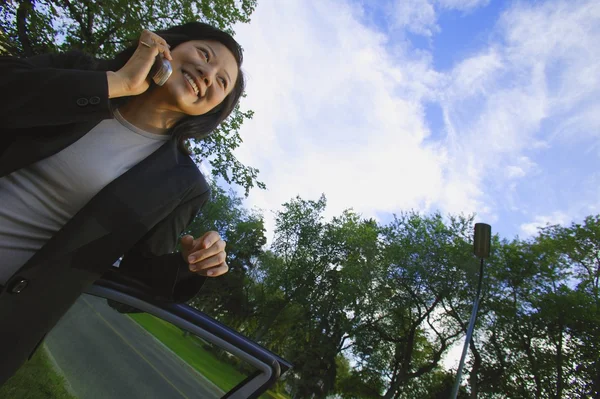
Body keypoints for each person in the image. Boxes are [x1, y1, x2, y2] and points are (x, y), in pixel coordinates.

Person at [0, 22, 244, 384]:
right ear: (168, 47)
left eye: (222, 82)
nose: (208, 74)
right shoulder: (83, 72)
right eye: (204, 55)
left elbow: (133, 286)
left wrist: (191, 265)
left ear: (214, 109)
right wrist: (118, 84)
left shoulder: (183, 185)